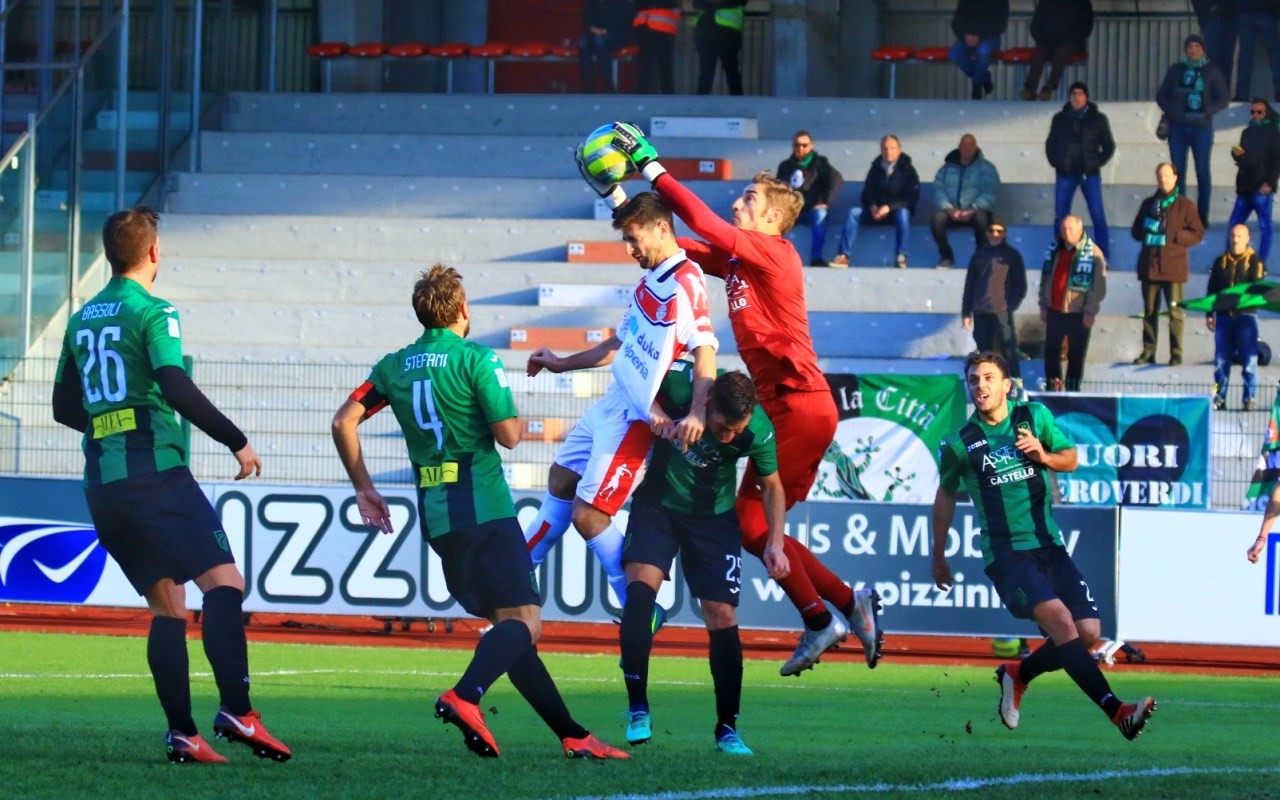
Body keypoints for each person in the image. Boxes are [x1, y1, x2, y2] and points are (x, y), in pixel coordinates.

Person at [607, 122, 884, 676]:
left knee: (753, 524)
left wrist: (650, 163)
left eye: (749, 199)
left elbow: (700, 222)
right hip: (783, 404)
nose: (738, 202)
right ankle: (845, 605)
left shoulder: (777, 254)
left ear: (773, 221)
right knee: (753, 527)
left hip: (800, 401)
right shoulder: (739, 262)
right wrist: (616, 196)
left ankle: (823, 616)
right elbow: (670, 241)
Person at [331, 265, 628, 761]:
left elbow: (344, 421)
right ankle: (465, 696)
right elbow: (509, 436)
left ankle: (573, 735)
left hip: (439, 516)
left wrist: (365, 489)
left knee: (511, 630)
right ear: (463, 310)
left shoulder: (393, 366)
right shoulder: (476, 359)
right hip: (482, 506)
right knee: (526, 624)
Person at [50, 207, 291, 764]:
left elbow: (64, 406)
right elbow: (174, 383)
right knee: (225, 583)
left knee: (167, 606)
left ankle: (183, 734)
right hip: (156, 473)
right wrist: (236, 439)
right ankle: (237, 710)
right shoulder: (154, 310)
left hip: (104, 484)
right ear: (154, 253)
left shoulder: (81, 319)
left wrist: (109, 420)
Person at [931, 351, 1157, 741]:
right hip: (1007, 555)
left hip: (1050, 546)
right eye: (973, 380)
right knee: (1063, 623)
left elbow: (1071, 460)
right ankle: (1116, 710)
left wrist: (1043, 456)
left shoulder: (1034, 417)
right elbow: (946, 495)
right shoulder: (959, 443)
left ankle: (1019, 674)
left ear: (1006, 385)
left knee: (1088, 633)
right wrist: (938, 555)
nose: (980, 385)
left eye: (988, 378)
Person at [522, 190, 718, 622]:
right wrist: (561, 364)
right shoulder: (649, 280)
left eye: (633, 239)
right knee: (560, 479)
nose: (630, 250)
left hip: (639, 418)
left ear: (661, 229)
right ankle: (517, 579)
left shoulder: (687, 282)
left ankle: (640, 607)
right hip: (614, 403)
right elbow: (618, 343)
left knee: (589, 516)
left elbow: (705, 349)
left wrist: (699, 411)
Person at [619, 367, 789, 755]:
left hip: (713, 516)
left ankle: (727, 728)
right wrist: (655, 411)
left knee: (723, 615)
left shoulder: (757, 429)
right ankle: (638, 709)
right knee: (640, 595)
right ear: (706, 402)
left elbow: (773, 485)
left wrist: (775, 543)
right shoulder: (681, 385)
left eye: (736, 430)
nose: (729, 436)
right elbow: (631, 375)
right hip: (657, 507)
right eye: (722, 427)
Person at [1131, 162, 1205, 366]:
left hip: (1173, 268)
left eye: (1167, 176)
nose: (1163, 180)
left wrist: (1175, 235)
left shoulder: (1185, 205)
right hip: (1150, 267)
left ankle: (1176, 352)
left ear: (1175, 178)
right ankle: (1148, 350)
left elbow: (1198, 234)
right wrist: (1148, 227)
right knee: (1149, 312)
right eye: (1160, 176)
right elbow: (1135, 232)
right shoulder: (1148, 204)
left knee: (1175, 313)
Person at [1157, 34, 1230, 227]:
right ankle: (1180, 215)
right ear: (1185, 50)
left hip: (1201, 128)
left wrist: (1207, 110)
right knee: (1177, 172)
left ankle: (1202, 215)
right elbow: (1161, 95)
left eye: (1197, 46)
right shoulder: (1176, 70)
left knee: (1202, 171)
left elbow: (1223, 97)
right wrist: (1172, 111)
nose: (1193, 50)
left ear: (1203, 50)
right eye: (1190, 47)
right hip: (1178, 128)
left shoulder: (1212, 70)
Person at [1046, 81, 1116, 259]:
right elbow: (1050, 144)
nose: (1077, 97)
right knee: (1061, 216)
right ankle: (1059, 254)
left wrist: (1095, 163)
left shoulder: (1098, 119)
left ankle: (1103, 256)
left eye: (1080, 94)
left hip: (1089, 174)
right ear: (1069, 97)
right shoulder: (1059, 119)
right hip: (1065, 174)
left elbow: (1109, 146)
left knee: (1097, 215)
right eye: (1073, 94)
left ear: (1086, 97)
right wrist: (1058, 163)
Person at [829, 134, 920, 269]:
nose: (888, 151)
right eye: (885, 148)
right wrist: (872, 207)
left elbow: (911, 198)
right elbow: (866, 194)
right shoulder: (875, 169)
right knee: (853, 213)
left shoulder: (908, 170)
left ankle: (901, 256)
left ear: (899, 150)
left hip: (895, 212)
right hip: (875, 212)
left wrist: (889, 207)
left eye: (892, 148)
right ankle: (843, 255)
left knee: (904, 213)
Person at [1039, 215, 1108, 391]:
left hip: (1079, 313)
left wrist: (1091, 311)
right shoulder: (1055, 250)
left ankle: (1072, 391)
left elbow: (1098, 286)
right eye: (1064, 229)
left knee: (1076, 356)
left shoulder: (1092, 252)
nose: (1066, 232)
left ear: (1080, 229)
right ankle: (1053, 388)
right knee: (1051, 353)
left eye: (1070, 229)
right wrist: (1043, 305)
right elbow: (1045, 279)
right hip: (1055, 310)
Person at [1207, 224, 1267, 410]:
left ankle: (1250, 397)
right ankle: (1218, 395)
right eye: (1233, 235)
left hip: (1246, 318)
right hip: (1224, 318)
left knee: (1249, 361)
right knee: (1220, 363)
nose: (1235, 239)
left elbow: (1257, 289)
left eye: (1240, 236)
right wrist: (1210, 313)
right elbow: (1212, 290)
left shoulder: (1255, 261)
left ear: (1247, 238)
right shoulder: (1220, 262)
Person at [961, 217, 1027, 385]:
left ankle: (1015, 383)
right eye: (991, 231)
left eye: (999, 231)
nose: (995, 234)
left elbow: (1020, 284)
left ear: (1005, 233)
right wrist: (966, 311)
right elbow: (970, 284)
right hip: (981, 309)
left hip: (1001, 309)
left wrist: (1010, 304)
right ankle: (989, 383)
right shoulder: (979, 255)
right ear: (986, 233)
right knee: (985, 352)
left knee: (1008, 347)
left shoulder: (1012, 255)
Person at [931, 133, 1000, 268]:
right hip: (952, 212)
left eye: (971, 145)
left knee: (982, 219)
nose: (968, 148)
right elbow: (938, 190)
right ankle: (946, 256)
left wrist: (973, 208)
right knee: (936, 219)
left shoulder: (986, 168)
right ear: (959, 147)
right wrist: (949, 208)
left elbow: (990, 192)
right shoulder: (946, 168)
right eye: (965, 145)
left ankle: (981, 257)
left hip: (975, 211)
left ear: (976, 147)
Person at [776, 130, 844, 267]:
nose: (801, 148)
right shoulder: (785, 166)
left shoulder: (820, 163)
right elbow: (777, 188)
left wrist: (826, 202)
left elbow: (836, 179)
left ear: (811, 146)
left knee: (821, 215)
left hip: (810, 210)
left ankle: (816, 258)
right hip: (791, 211)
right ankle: (773, 259)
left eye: (804, 145)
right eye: (797, 145)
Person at [1228, 98, 1280, 263]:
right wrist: (1237, 155)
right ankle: (1229, 259)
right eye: (1253, 112)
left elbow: (1277, 159)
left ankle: (1261, 261)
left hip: (1261, 187)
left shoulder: (1273, 132)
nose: (1256, 115)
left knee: (1265, 226)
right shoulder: (1247, 132)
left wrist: (1270, 183)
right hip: (1245, 186)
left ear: (1267, 113)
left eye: (1259, 112)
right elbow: (1245, 159)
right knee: (1234, 225)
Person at [1019, 0, 1093, 101]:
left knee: (1061, 51)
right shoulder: (1046, 2)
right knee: (1041, 50)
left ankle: (1049, 87)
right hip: (1050, 40)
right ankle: (1030, 88)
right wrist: (1042, 37)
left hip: (1072, 41)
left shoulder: (1081, 3)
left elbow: (1086, 25)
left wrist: (1071, 38)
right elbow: (1036, 24)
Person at [948, 0, 1008, 100]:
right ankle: (983, 77)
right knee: (954, 54)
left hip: (989, 37)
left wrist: (980, 36)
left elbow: (1000, 25)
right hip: (967, 38)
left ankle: (977, 86)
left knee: (983, 52)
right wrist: (965, 36)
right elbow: (956, 22)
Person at [693, 0, 746, 96]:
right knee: (707, 70)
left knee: (730, 69)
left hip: (727, 32)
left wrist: (712, 4)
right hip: (706, 31)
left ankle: (738, 103)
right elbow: (696, 3)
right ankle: (700, 103)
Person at [579, 0, 633, 93]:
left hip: (618, 34)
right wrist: (592, 29)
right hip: (596, 33)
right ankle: (588, 84)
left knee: (600, 42)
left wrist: (605, 31)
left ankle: (608, 83)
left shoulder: (623, 3)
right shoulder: (593, 2)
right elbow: (587, 18)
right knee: (583, 43)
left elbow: (623, 21)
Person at [1231, 0, 1280, 102]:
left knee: (1245, 56)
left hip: (1246, 12)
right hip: (1267, 13)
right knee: (1274, 56)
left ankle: (1241, 95)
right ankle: (1278, 91)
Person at [632, 3, 680, 94]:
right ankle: (665, 93)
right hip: (650, 25)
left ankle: (643, 92)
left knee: (652, 63)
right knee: (651, 63)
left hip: (658, 26)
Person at [1193, 0, 1239, 90]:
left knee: (1226, 58)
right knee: (1214, 58)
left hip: (1229, 17)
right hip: (1212, 17)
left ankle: (1222, 92)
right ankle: (1213, 91)